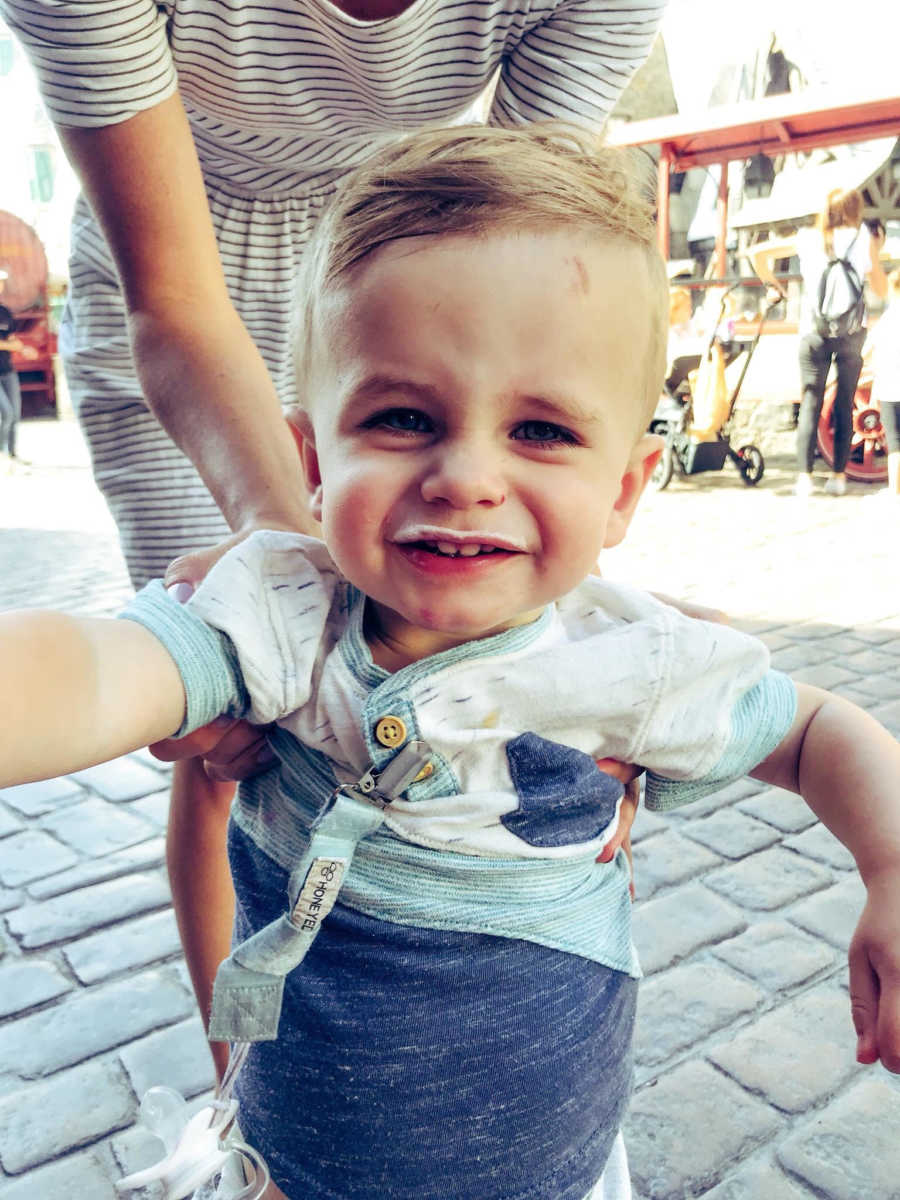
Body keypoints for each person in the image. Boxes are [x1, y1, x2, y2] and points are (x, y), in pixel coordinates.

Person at [3, 126, 900, 1200]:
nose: (466, 475)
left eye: (542, 431)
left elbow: (813, 730)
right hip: (300, 1167)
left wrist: (892, 863)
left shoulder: (634, 661)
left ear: (625, 489)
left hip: (562, 1173)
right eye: (400, 417)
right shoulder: (284, 618)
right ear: (310, 461)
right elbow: (98, 674)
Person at [1, 0, 667, 1068]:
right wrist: (282, 577)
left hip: (416, 272)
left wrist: (586, 645)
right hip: (174, 265)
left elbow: (527, 237)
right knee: (232, 719)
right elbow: (87, 670)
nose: (468, 482)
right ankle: (243, 1091)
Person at [748, 188, 887, 497]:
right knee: (844, 401)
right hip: (851, 332)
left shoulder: (807, 237)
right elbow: (880, 288)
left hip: (813, 331)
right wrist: (875, 252)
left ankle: (804, 479)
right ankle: (838, 477)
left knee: (810, 402)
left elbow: (756, 255)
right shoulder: (862, 237)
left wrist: (775, 284)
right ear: (855, 209)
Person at [867, 266, 900, 502]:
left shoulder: (888, 318)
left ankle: (894, 492)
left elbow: (867, 350)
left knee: (896, 443)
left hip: (891, 386)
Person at [0, 270, 25, 470]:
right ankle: (1, 454)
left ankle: (12, 454)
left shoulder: (5, 312)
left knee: (15, 414)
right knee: (5, 413)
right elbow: (10, 345)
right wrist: (11, 345)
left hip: (8, 370)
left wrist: (15, 346)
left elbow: (13, 341)